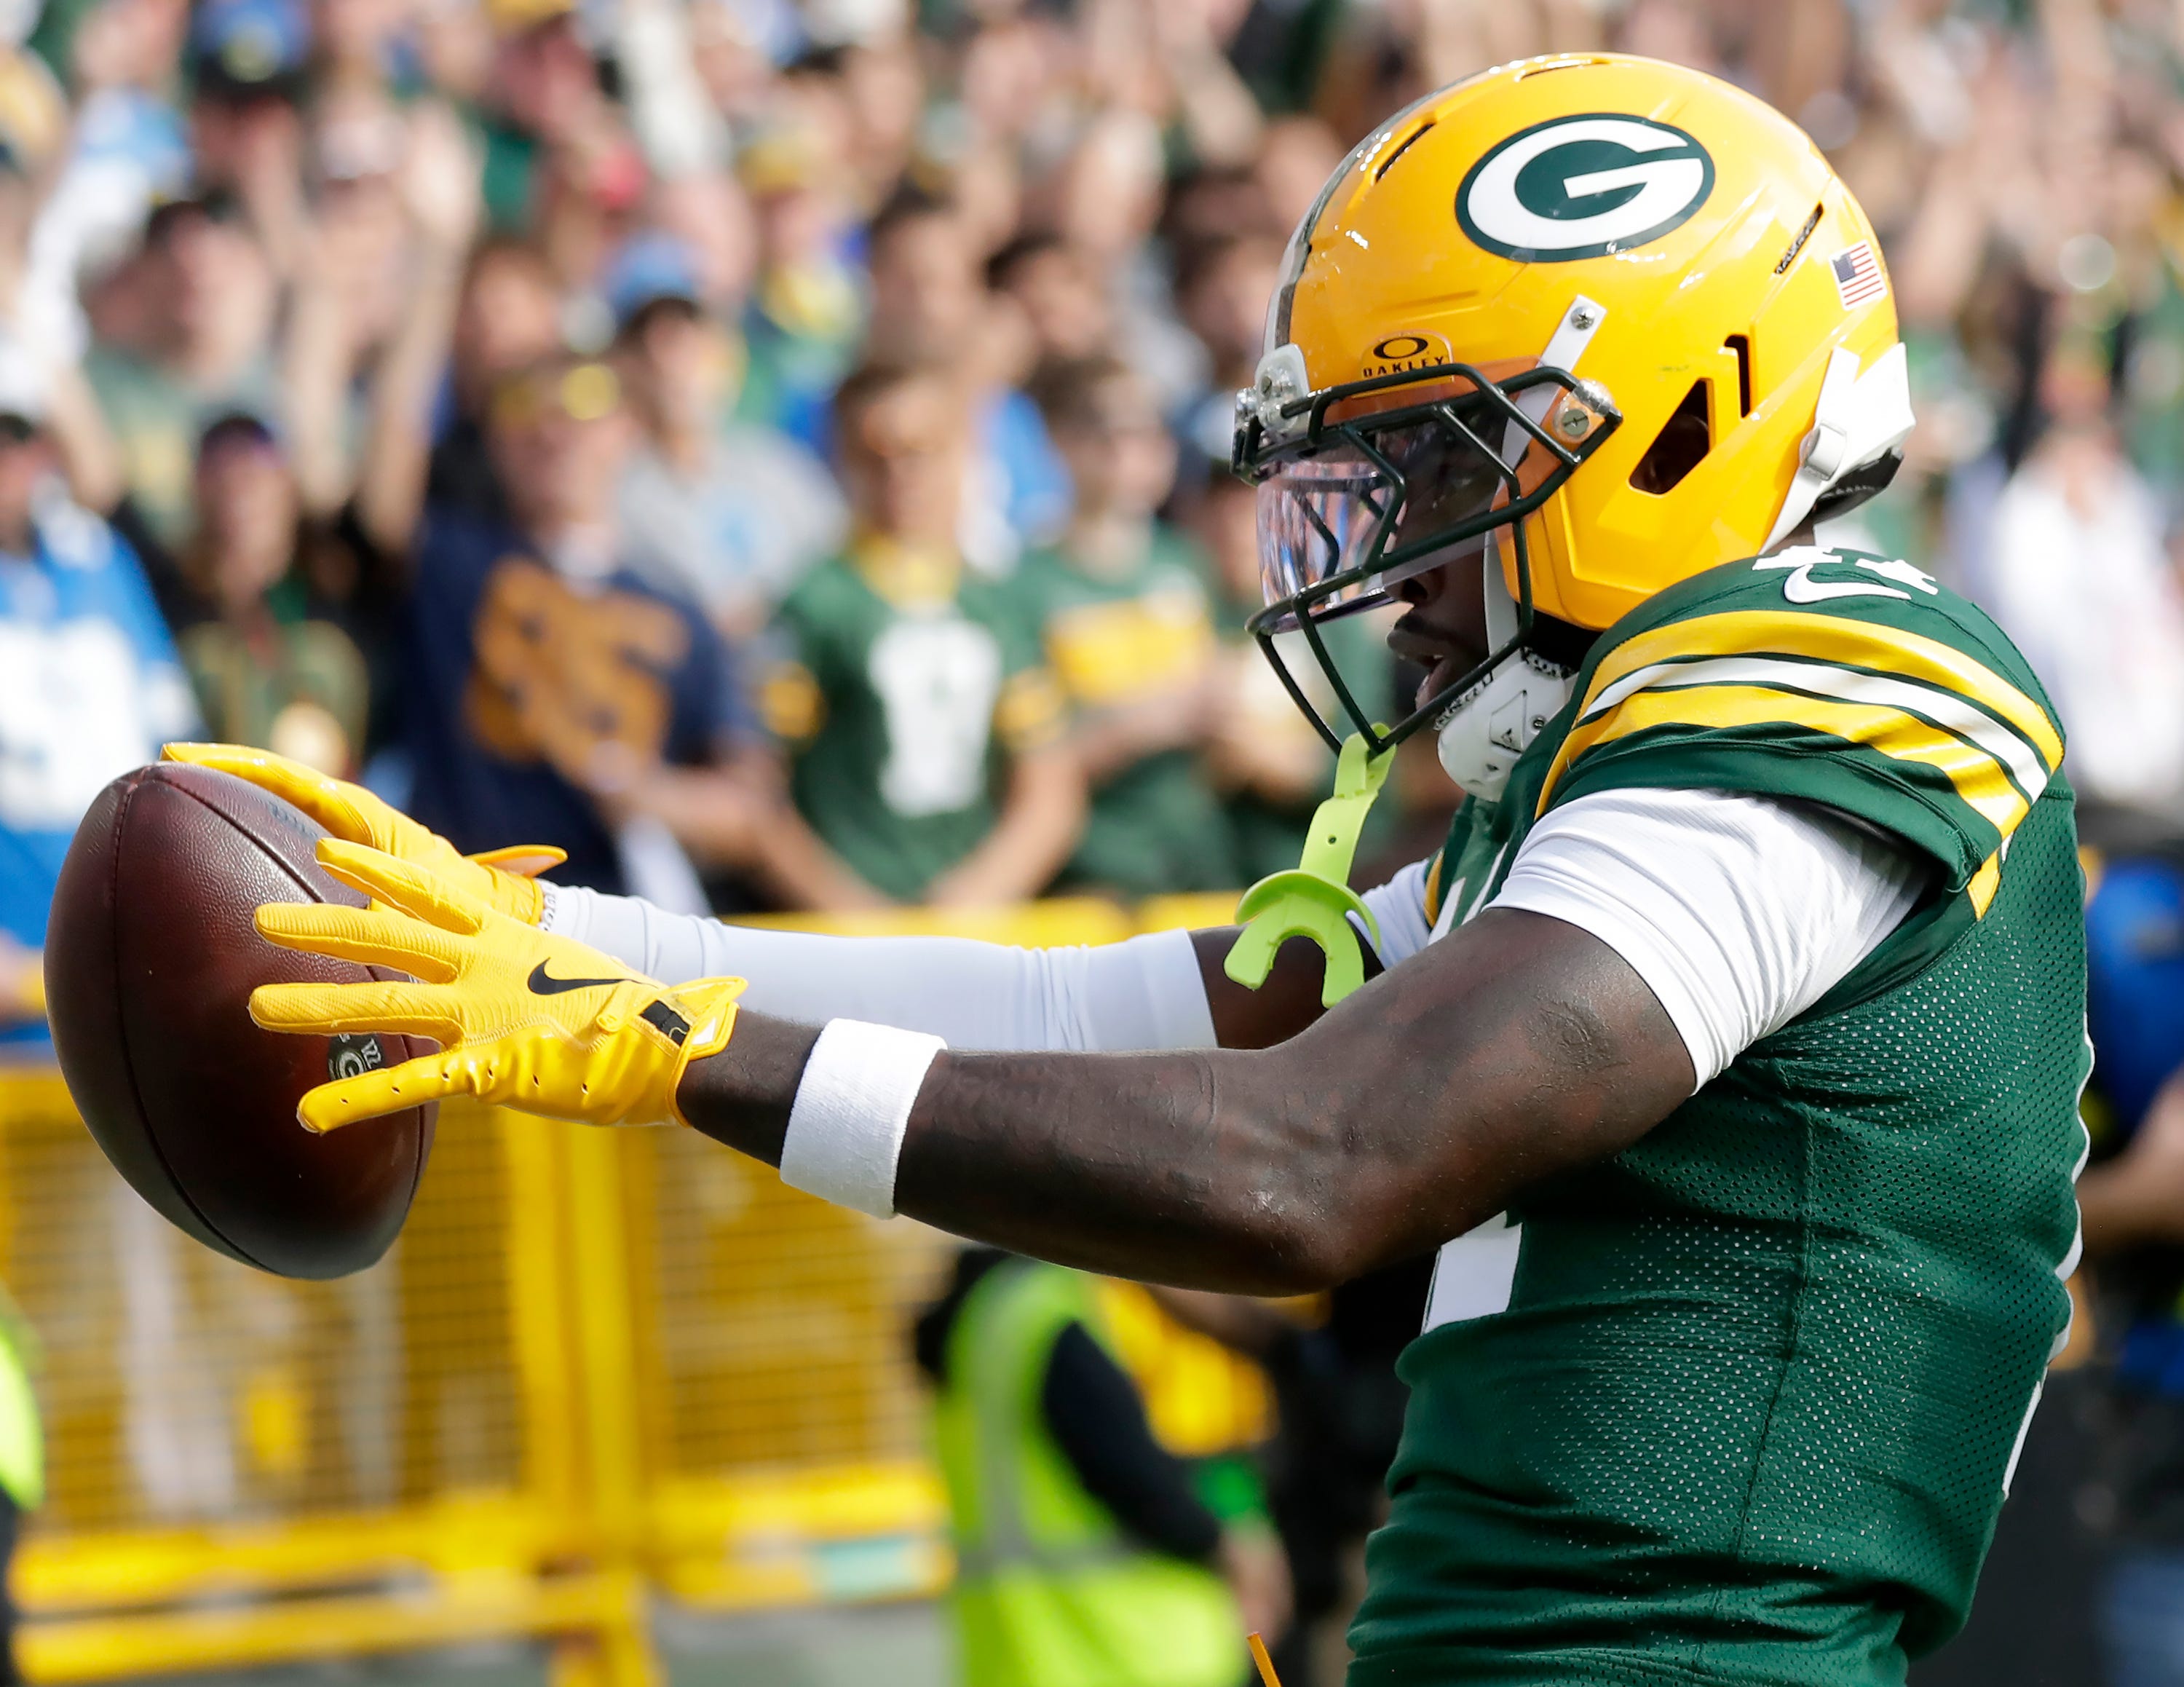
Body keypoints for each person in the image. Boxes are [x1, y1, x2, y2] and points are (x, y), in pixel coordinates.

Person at [187, 58, 2087, 1687]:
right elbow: (1118, 1010)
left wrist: (676, 1051)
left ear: (1679, 421)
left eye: (1438, 474)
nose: (1396, 566)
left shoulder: (1837, 683)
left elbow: (1311, 1162)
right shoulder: (1619, 772)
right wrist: (550, 940)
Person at [764, 357, 1083, 907]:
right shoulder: (815, 603)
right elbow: (757, 791)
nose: (899, 475)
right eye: (875, 455)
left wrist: (977, 896)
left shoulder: (998, 602)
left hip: (972, 916)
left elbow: (1049, 789)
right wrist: (850, 910)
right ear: (842, 459)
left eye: (920, 451)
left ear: (962, 451)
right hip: (847, 917)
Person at [916, 1248, 1288, 1687]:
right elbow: (1134, 1479)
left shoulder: (984, 1318)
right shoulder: (1047, 1317)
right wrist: (1231, 1547)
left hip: (1022, 1658)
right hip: (1127, 1655)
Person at [1013, 356, 1236, 896]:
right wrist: (1148, 721)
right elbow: (1024, 764)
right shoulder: (1024, 586)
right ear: (1062, 442)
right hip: (1090, 872)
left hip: (1201, 862)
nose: (1136, 452)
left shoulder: (1188, 563)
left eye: (1152, 431)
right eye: (1112, 431)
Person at [608, 232, 844, 644]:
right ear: (618, 362)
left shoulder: (779, 467)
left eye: (687, 336)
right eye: (645, 341)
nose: (669, 361)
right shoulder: (609, 492)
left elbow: (839, 568)